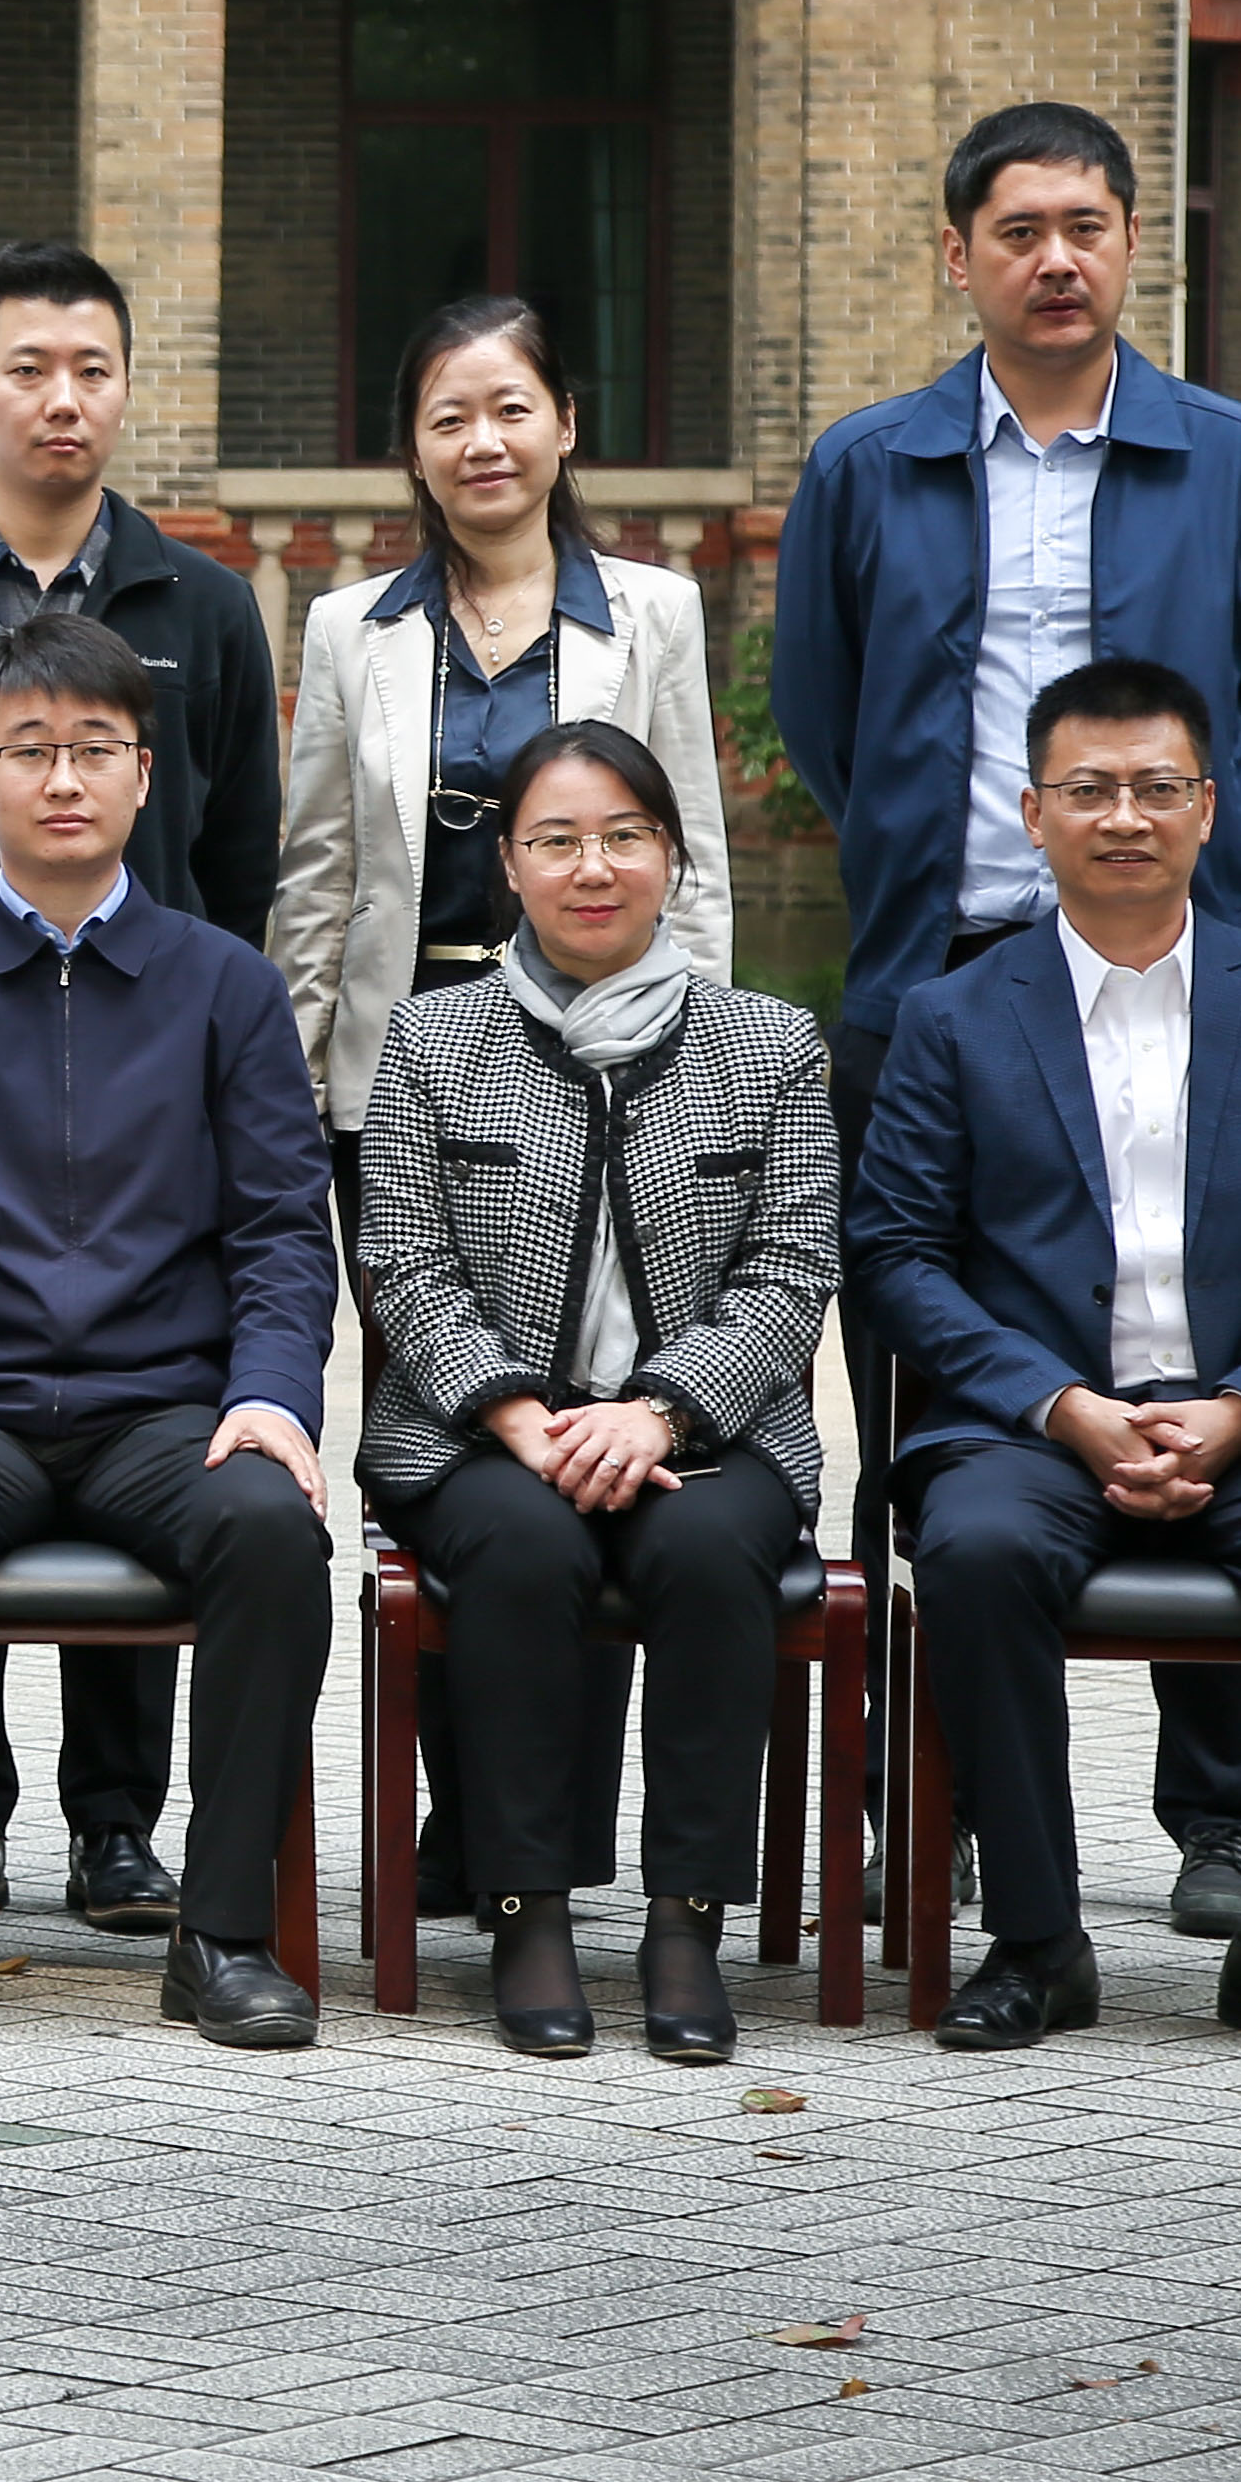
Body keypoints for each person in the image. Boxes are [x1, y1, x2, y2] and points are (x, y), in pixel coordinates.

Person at [775, 101, 1241, 1940]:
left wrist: (1192, 870)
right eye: (1018, 231)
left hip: (1178, 977)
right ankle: (932, 1802)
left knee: (1198, 1355)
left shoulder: (1240, 464)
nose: (1055, 260)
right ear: (959, 256)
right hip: (938, 985)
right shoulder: (869, 467)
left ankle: (1227, 1816)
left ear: (1130, 245)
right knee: (927, 1388)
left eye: (1085, 226)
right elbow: (823, 712)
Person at [847, 657, 1241, 2061]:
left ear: (1208, 809)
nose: (1125, 816)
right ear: (1032, 813)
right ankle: (1037, 1946)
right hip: (1030, 1427)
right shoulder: (952, 1016)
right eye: (1090, 789)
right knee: (978, 1556)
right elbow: (897, 1256)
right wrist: (1060, 1405)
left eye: (1157, 787)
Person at [0, 612, 333, 2052]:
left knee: (272, 1526)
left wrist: (271, 1397)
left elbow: (283, 1230)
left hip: (164, 1411)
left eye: (96, 748)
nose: (62, 779)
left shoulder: (225, 985)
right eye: (28, 749)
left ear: (145, 776)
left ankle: (224, 1931)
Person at [271, 289, 729, 1915]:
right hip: (405, 1084)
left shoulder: (651, 613)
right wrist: (292, 1093)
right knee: (451, 1438)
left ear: (565, 426)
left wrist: (699, 1067)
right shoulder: (354, 630)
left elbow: (692, 861)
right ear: (412, 447)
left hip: (616, 1072)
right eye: (449, 416)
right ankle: (468, 1815)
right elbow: (319, 879)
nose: (484, 441)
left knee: (599, 1423)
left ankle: (549, 1829)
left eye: (511, 408)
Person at [0, 239, 283, 1944]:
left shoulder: (203, 608)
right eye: (29, 368)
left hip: (152, 1030)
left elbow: (238, 854)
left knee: (168, 1403)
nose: (62, 398)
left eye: (92, 367)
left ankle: (120, 1828)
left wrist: (201, 1005)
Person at [352, 720, 833, 2065]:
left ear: (671, 856)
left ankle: (686, 1923)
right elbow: (400, 1258)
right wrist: (517, 1415)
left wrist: (658, 1412)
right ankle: (527, 1910)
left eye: (624, 836)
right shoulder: (433, 1038)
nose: (593, 866)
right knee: (525, 1546)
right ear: (508, 865)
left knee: (705, 1550)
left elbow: (793, 1269)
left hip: (709, 1436)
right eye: (556, 840)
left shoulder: (769, 1043)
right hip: (479, 1438)